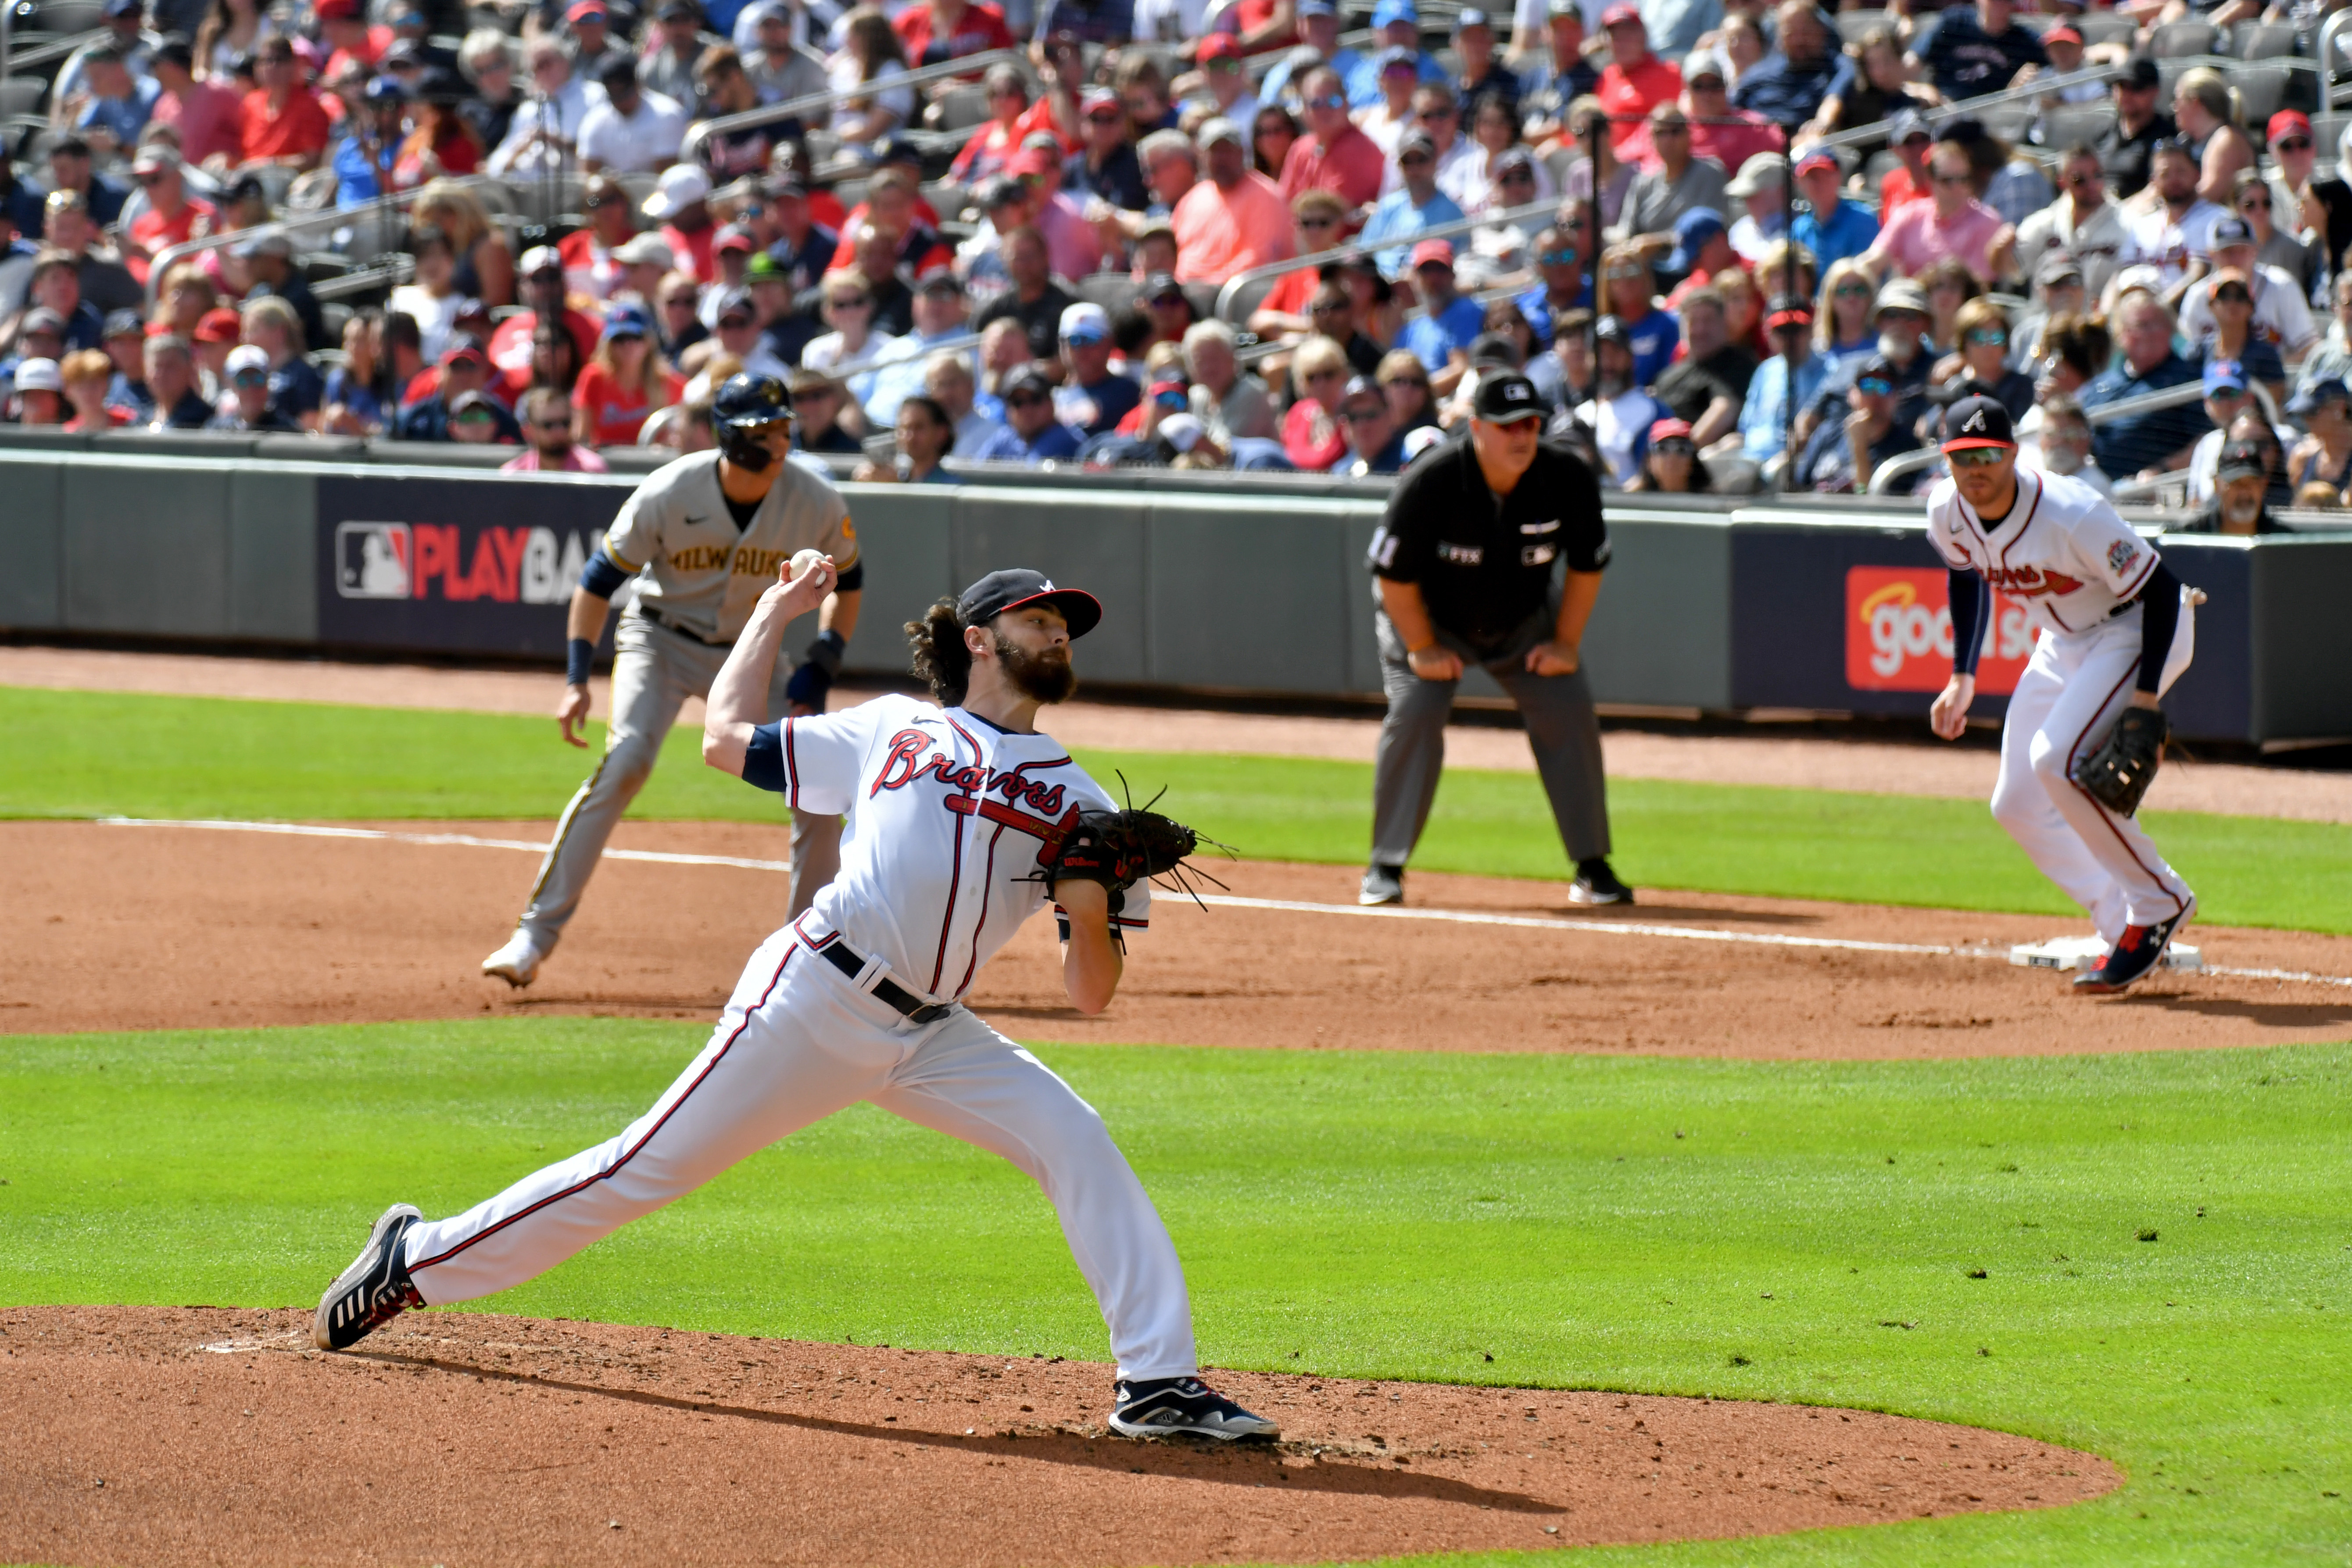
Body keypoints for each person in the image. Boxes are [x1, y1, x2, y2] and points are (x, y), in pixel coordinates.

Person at [477, 374, 859, 990]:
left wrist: (823, 659)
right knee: (626, 760)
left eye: (785, 426)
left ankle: (804, 957)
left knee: (812, 780)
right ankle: (532, 936)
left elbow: (853, 582)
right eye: (767, 428)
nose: (782, 438)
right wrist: (578, 678)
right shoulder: (671, 488)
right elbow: (598, 584)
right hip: (658, 637)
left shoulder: (813, 497)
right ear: (733, 436)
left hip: (749, 650)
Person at [1924, 394, 2196, 993]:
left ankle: (2159, 902)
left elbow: (2160, 590)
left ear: (2014, 454)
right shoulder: (1947, 508)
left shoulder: (2069, 510)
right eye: (1963, 456)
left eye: (1989, 454)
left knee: (2057, 759)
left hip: (2137, 626)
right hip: (2064, 638)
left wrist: (2145, 698)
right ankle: (2117, 916)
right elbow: (1964, 572)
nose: (1977, 469)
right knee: (2015, 801)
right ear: (1946, 460)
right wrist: (1961, 675)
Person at [1364, 369, 1627, 908]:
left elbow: (1588, 565)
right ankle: (1384, 867)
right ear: (1476, 427)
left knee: (1569, 708)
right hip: (1428, 620)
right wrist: (1420, 647)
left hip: (1523, 621)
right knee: (1415, 713)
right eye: (1506, 425)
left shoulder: (1566, 476)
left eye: (1530, 423)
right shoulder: (1433, 478)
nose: (1521, 436)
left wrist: (1566, 644)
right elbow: (1393, 577)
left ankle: (1593, 867)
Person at [2081, 292, 2205, 481]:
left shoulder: (2188, 379)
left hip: (2155, 492)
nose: (2151, 333)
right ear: (2121, 333)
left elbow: (2205, 441)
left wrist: (2163, 471)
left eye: (2159, 324)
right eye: (2142, 326)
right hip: (2097, 487)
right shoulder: (2102, 384)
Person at [1865, 139, 2008, 286]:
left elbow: (1976, 285)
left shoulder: (1987, 222)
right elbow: (1874, 261)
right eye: (1948, 180)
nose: (1958, 187)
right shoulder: (1910, 215)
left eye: (1963, 179)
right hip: (1913, 302)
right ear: (1930, 180)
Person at [1610, 102, 1729, 251]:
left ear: (1689, 134)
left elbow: (1714, 230)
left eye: (1675, 132)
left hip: (1695, 263)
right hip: (1646, 268)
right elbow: (1626, 232)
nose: (1668, 140)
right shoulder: (1643, 183)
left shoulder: (1710, 174)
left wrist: (1660, 243)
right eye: (1660, 133)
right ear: (1652, 139)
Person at [1794, 350, 1917, 493]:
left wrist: (1859, 447)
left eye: (1885, 387)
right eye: (1868, 385)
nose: (1875, 396)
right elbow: (1800, 485)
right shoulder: (1828, 432)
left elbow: (1866, 497)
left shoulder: (1907, 446)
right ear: (1851, 394)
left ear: (1897, 397)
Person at [2116, 139, 2220, 305]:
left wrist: (2159, 310)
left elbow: (2198, 275)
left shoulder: (2216, 219)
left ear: (2197, 174)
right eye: (2165, 174)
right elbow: (2121, 277)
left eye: (2181, 172)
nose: (2174, 180)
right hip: (2142, 316)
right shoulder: (2141, 225)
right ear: (2153, 181)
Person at [1730, 0, 1851, 136]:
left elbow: (1833, 102)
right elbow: (1729, 111)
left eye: (1806, 32)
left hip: (1806, 143)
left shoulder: (1838, 66)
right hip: (1755, 140)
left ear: (1821, 31)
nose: (1799, 41)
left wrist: (1820, 125)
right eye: (1791, 34)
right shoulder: (1757, 73)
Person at [1360, 129, 1466, 279]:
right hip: (1378, 289)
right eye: (1407, 162)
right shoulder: (1388, 205)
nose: (1414, 169)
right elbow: (1363, 253)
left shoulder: (1452, 213)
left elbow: (1451, 268)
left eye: (1421, 160)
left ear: (1436, 162)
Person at [1736, 293, 1829, 464]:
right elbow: (1746, 428)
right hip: (1753, 460)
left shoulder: (1831, 371)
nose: (1790, 339)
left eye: (1796, 330)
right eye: (1782, 331)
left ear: (1810, 330)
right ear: (1768, 334)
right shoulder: (1766, 370)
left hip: (1798, 464)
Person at [1904, 0, 2042, 102]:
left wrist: (2020, 86)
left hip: (1994, 116)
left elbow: (2057, 73)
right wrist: (1922, 89)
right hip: (1945, 108)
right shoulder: (1954, 23)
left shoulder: (2025, 42)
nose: (2000, 7)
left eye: (2006, 2)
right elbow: (1906, 72)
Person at [973, 365, 1086, 462]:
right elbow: (974, 473)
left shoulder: (1064, 439)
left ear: (1051, 403)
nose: (1027, 410)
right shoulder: (1006, 437)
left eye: (1035, 399)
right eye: (1018, 402)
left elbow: (1029, 478)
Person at [2180, 439, 2287, 534]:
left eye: (2251, 483)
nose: (2244, 492)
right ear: (2217, 485)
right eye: (2236, 483)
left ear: (2264, 485)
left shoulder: (2283, 542)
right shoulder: (2188, 538)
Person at [502, 386, 609, 472]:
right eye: (548, 425)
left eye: (565, 423)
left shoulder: (593, 471)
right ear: (529, 431)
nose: (559, 431)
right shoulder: (514, 476)